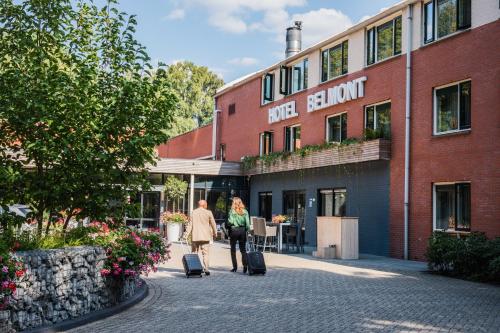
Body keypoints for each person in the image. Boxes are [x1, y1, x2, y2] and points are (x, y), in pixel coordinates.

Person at [183, 200, 217, 276]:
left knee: (194, 253)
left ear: (198, 205)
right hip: (205, 237)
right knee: (205, 254)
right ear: (205, 205)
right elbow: (213, 224)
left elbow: (190, 225)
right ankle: (206, 269)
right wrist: (215, 233)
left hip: (195, 236)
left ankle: (194, 268)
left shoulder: (193, 212)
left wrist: (186, 235)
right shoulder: (208, 212)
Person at [227, 197, 250, 273]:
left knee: (233, 249)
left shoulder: (232, 211)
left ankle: (235, 267)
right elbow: (248, 224)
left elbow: (230, 221)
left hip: (234, 230)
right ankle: (245, 266)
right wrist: (245, 230)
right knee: (243, 250)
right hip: (242, 230)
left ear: (234, 203)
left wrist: (228, 223)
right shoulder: (245, 211)